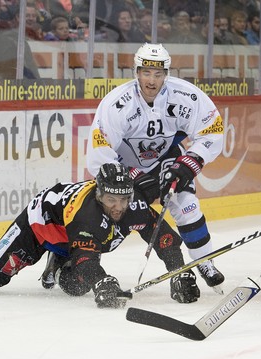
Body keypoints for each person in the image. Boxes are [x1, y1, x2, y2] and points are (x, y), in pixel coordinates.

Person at [0, 163, 201, 307]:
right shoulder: (88, 214)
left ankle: (58, 266)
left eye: (123, 200)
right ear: (98, 194)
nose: (118, 207)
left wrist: (179, 272)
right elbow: (86, 260)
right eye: (110, 200)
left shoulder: (134, 206)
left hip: (78, 236)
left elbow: (163, 238)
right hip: (40, 227)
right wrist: (103, 281)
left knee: (76, 286)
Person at [86, 43, 226, 292]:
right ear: (136, 72)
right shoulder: (117, 104)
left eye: (158, 74)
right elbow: (99, 156)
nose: (152, 80)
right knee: (109, 216)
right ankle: (72, 260)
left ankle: (206, 262)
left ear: (167, 74)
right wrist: (133, 176)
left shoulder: (187, 96)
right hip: (124, 167)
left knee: (187, 204)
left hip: (166, 160)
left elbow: (212, 131)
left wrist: (189, 162)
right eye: (146, 73)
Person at [0, 3, 41, 79]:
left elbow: (32, 68)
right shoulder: (8, 37)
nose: (31, 18)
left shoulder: (32, 37)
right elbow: (2, 68)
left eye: (33, 16)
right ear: (18, 17)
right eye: (27, 16)